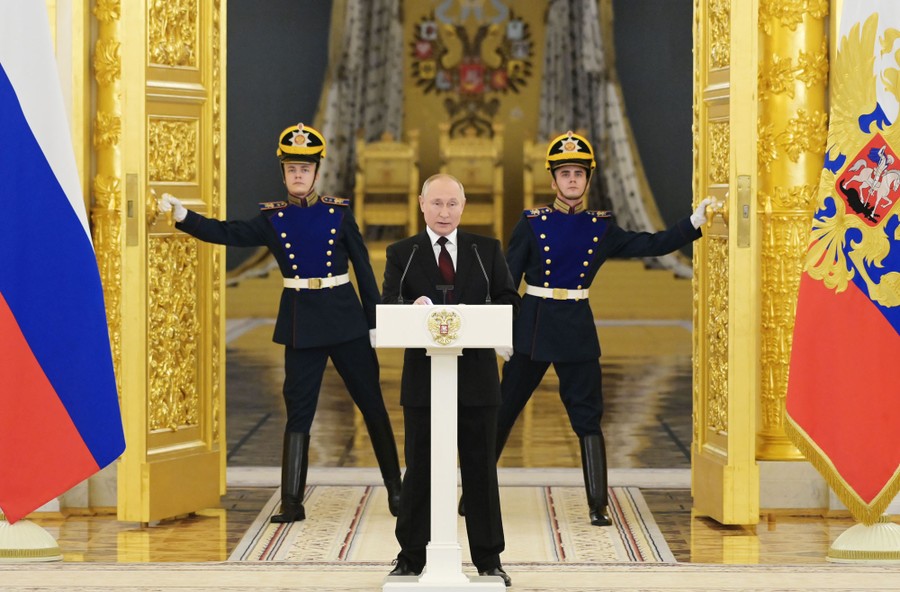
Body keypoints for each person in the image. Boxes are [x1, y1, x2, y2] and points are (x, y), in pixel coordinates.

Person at [157, 123, 401, 523]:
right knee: (299, 412)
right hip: (301, 324)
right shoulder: (273, 219)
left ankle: (396, 490)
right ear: (283, 173)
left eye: (305, 169)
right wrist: (185, 217)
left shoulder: (339, 213)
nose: (298, 175)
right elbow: (227, 233)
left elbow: (363, 268)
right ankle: (291, 500)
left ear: (318, 171)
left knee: (372, 405)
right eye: (291, 169)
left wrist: (375, 321)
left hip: (345, 319)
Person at [493, 130, 714, 527]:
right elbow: (507, 283)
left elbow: (651, 244)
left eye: (579, 173)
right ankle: (473, 494)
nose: (572, 180)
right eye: (565, 174)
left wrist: (692, 224)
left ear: (588, 178)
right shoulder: (531, 223)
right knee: (502, 411)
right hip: (533, 327)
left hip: (576, 329)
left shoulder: (601, 228)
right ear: (553, 179)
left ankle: (598, 504)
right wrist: (500, 331)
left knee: (588, 417)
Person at [381, 174, 521, 587]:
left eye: (452, 204)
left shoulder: (486, 250)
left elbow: (510, 300)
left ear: (463, 206)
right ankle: (410, 556)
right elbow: (388, 304)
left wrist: (478, 313)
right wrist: (412, 306)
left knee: (480, 469)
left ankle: (489, 559)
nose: (445, 213)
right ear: (421, 204)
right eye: (437, 204)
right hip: (424, 381)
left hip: (477, 380)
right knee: (420, 469)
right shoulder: (402, 253)